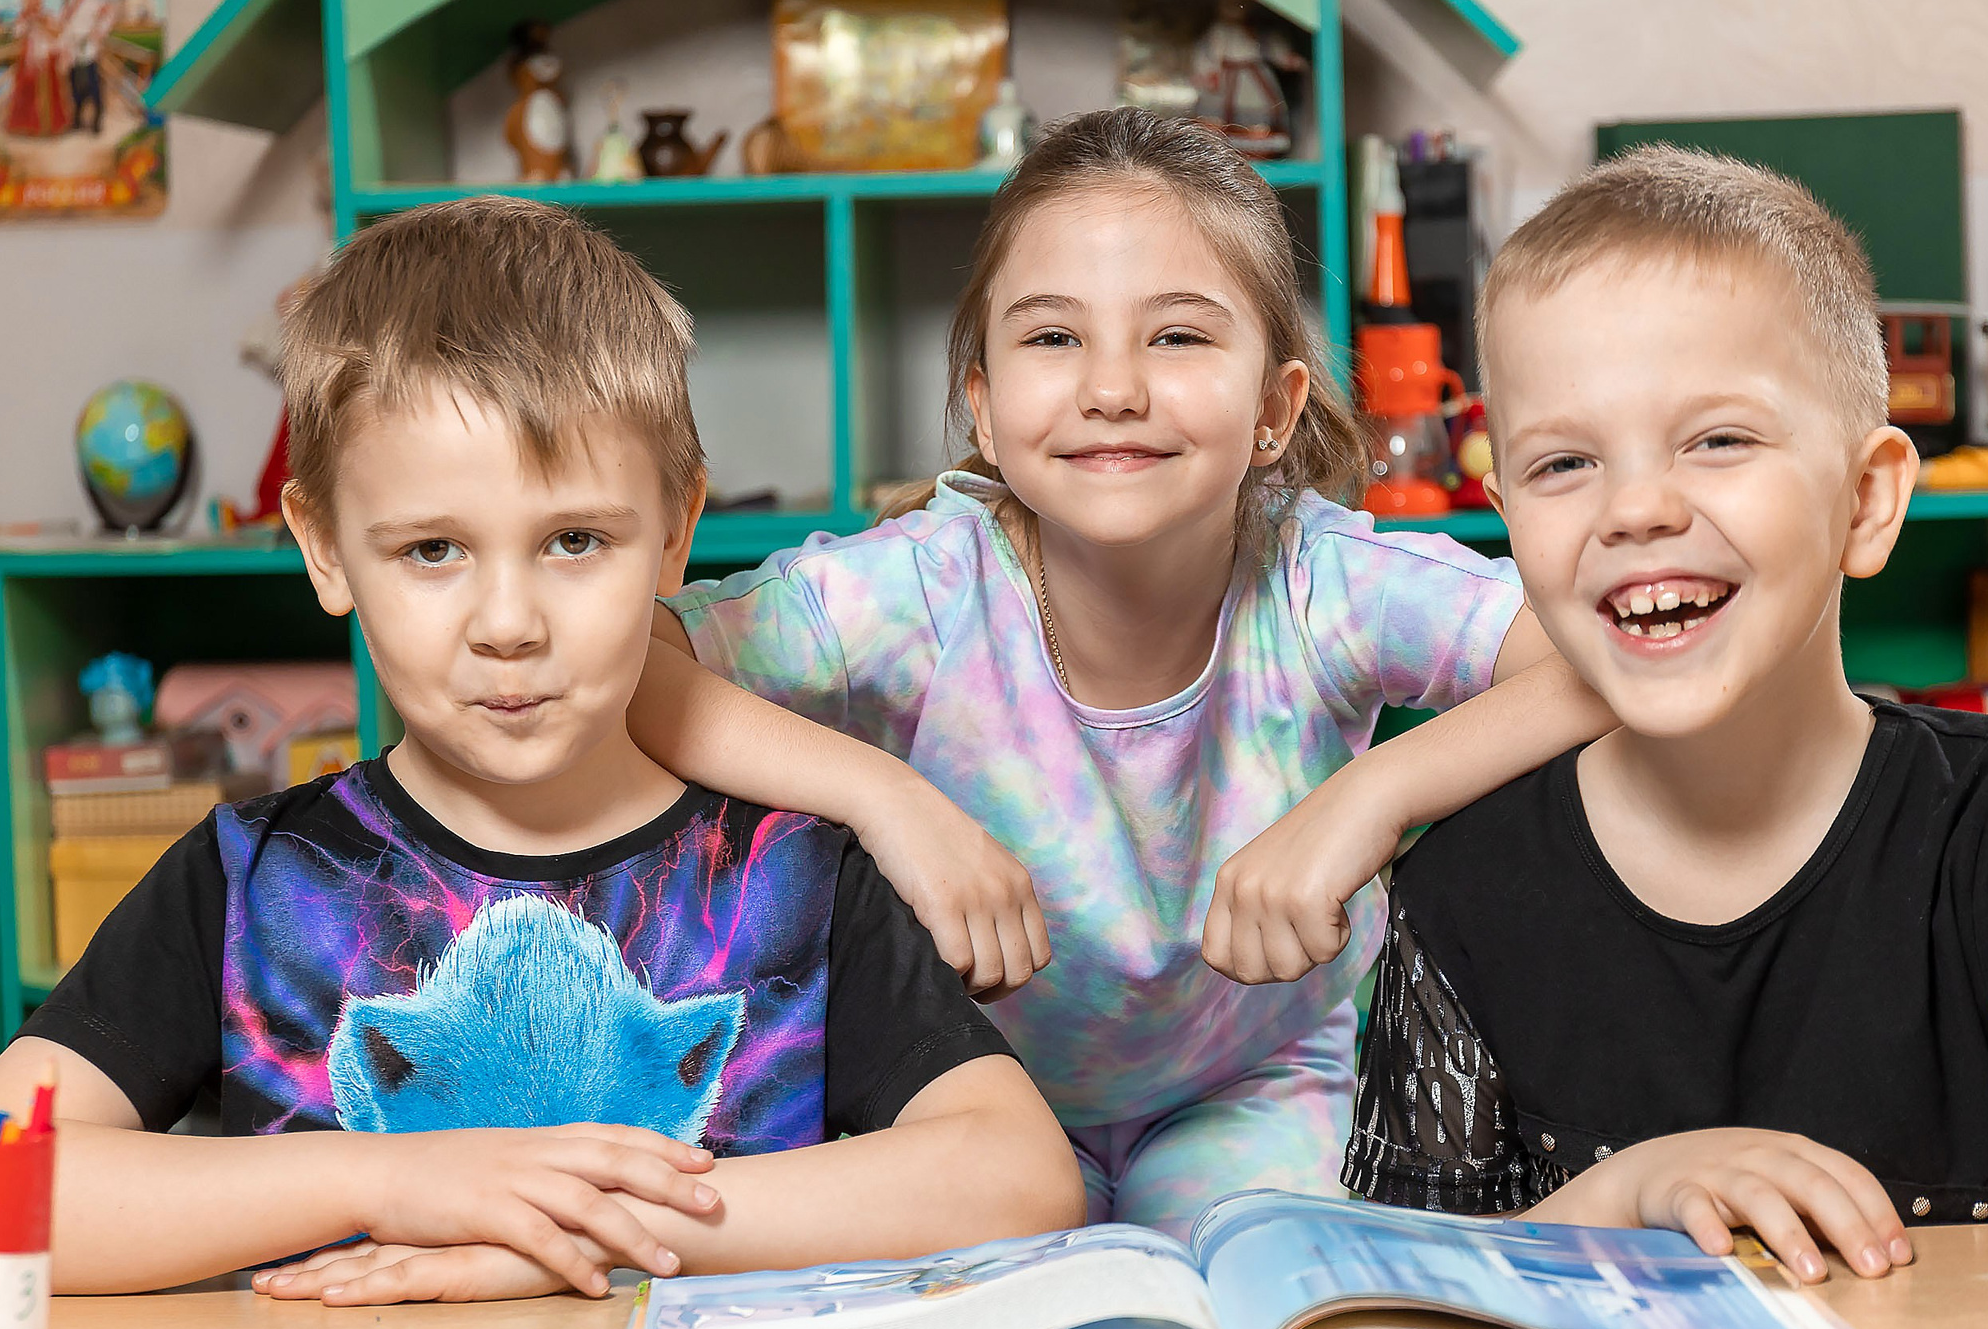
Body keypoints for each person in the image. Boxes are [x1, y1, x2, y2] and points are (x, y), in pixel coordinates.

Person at [1338, 145, 1988, 1329]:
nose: (1635, 507)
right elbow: (1385, 1319)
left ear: (1865, 501)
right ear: (1503, 506)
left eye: (1718, 438)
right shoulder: (1460, 891)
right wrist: (1631, 1188)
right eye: (1563, 464)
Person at [0, 196, 1083, 1304]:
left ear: (673, 533)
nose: (507, 620)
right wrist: (387, 1176)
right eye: (431, 549)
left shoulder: (793, 877)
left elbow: (1016, 1175)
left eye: (573, 540)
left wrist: (575, 1227)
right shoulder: (247, 880)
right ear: (323, 550)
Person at [626, 108, 1612, 1237]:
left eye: (1179, 338)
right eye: (1053, 339)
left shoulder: (1320, 580)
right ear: (984, 407)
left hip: (1261, 1081)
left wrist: (1370, 798)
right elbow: (634, 655)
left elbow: (1597, 655)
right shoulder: (921, 591)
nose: (1113, 389)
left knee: (1274, 1278)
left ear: (1274, 410)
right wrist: (880, 797)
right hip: (975, 1101)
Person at [2, 0, 71, 139]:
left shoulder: (47, 14)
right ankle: (28, 126)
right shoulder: (23, 16)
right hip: (29, 60)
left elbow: (58, 34)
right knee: (26, 92)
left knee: (51, 93)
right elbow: (17, 34)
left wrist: (43, 24)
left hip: (47, 58)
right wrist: (27, 21)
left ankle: (49, 128)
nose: (36, 0)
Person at [63, 0, 105, 135]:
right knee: (74, 85)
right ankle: (77, 121)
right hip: (73, 49)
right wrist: (65, 46)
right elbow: (66, 24)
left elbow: (107, 17)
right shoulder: (72, 1)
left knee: (93, 85)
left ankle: (97, 121)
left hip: (88, 47)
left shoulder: (96, 0)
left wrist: (98, 32)